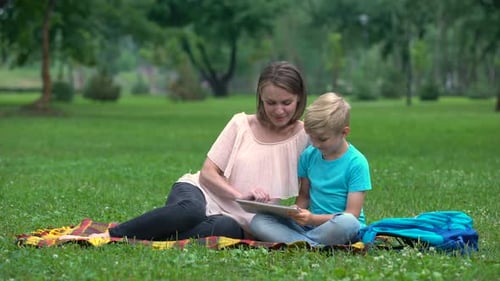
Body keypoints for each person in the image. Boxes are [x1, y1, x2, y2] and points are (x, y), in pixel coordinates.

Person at [63, 61, 309, 241]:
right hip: (200, 192)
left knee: (227, 230)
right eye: (270, 103)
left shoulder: (304, 137)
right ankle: (110, 235)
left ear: (299, 99)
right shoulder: (241, 124)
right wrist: (241, 195)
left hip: (239, 219)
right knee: (190, 212)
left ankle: (153, 237)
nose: (278, 110)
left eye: (286, 103)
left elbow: (321, 179)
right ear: (260, 99)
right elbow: (207, 174)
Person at [249, 92, 372, 246]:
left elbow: (352, 214)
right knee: (259, 220)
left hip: (339, 226)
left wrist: (313, 218)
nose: (315, 144)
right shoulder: (309, 156)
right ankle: (310, 244)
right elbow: (304, 196)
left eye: (322, 139)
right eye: (311, 137)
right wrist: (296, 211)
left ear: (344, 132)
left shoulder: (357, 163)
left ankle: (300, 243)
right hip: (309, 226)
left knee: (348, 223)